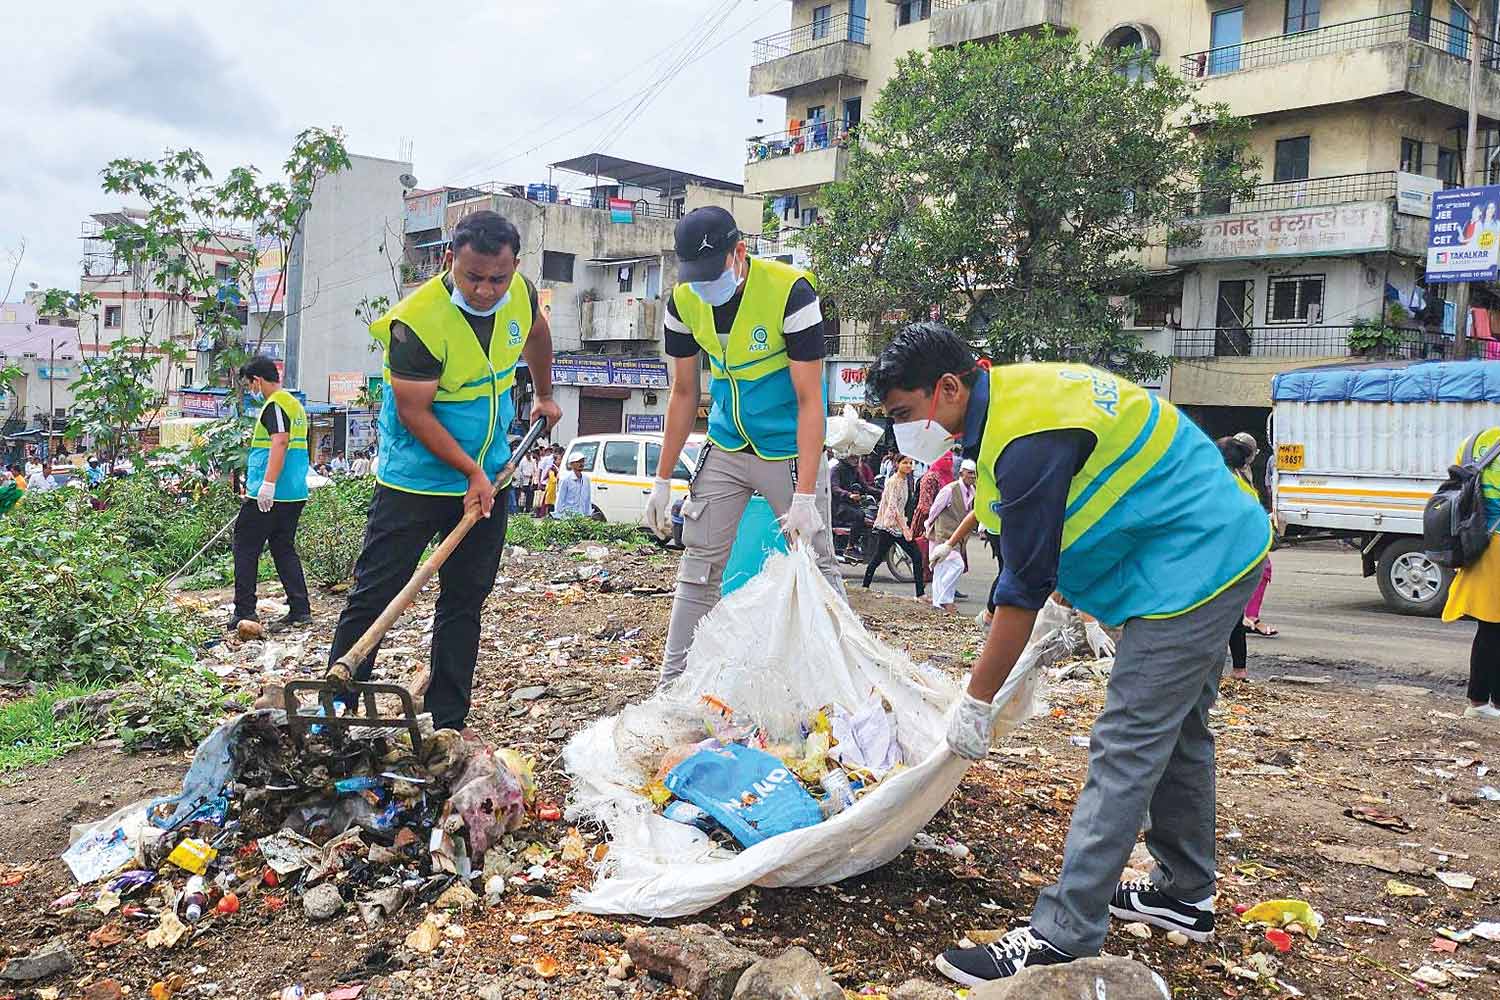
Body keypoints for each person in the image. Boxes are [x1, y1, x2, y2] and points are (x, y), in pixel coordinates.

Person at [865, 323, 1270, 986]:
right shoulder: (1014, 404)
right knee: (1181, 731)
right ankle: (1185, 894)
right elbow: (1029, 557)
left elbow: (1019, 594)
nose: (904, 432)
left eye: (906, 415)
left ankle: (1064, 932)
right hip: (1206, 543)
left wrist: (975, 701)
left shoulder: (1025, 437)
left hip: (1198, 561)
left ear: (948, 388)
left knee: (1127, 741)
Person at [325, 211, 559, 733]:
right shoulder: (417, 322)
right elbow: (414, 411)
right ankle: (337, 710)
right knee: (376, 593)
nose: (484, 289)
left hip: (488, 477)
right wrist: (469, 472)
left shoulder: (518, 292)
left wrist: (543, 394)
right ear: (449, 260)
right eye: (473, 277)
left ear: (514, 268)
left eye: (497, 278)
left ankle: (447, 720)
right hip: (414, 483)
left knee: (465, 600)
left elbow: (537, 334)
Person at [641, 205, 843, 686]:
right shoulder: (682, 302)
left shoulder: (791, 294)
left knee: (816, 564)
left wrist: (806, 495)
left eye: (714, 274)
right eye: (696, 277)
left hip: (789, 449)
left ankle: (841, 685)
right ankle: (672, 687)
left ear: (740, 252)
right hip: (727, 444)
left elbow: (811, 399)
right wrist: (662, 479)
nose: (706, 286)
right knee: (699, 567)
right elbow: (685, 393)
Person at [232, 357, 313, 630]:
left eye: (250, 384)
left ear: (257, 379)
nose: (251, 390)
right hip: (294, 492)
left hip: (270, 494)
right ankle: (300, 609)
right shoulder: (296, 405)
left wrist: (267, 484)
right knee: (282, 547)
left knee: (245, 546)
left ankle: (245, 611)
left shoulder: (276, 404)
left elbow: (280, 441)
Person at [1442, 425, 1500, 720]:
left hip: (1476, 542)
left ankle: (1481, 702)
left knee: (1490, 627)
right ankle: (1482, 704)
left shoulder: (1475, 440)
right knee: (1493, 629)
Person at [1217, 435, 1260, 681]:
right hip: (1240, 560)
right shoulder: (1244, 485)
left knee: (1213, 616)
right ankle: (1239, 670)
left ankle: (1212, 669)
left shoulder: (1216, 483)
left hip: (1219, 561)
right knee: (1234, 614)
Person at [1230, 431, 1278, 637]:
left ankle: (1247, 617)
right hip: (1238, 534)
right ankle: (1247, 617)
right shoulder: (1230, 475)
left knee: (1261, 570)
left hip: (1246, 532)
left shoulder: (1243, 471)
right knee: (1261, 569)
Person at [861, 454, 926, 599]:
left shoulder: (905, 481)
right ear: (897, 464)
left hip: (897, 524)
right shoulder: (893, 481)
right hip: (890, 526)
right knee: (912, 556)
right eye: (905, 463)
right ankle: (865, 586)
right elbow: (893, 507)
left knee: (911, 556)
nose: (908, 465)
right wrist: (905, 529)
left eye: (910, 463)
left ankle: (920, 593)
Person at [926, 458, 976, 611]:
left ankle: (938, 604)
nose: (972, 476)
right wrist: (928, 527)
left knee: (942, 570)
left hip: (958, 536)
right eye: (969, 473)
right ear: (961, 473)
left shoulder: (973, 491)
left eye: (974, 474)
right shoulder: (949, 490)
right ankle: (944, 600)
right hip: (942, 533)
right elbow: (935, 509)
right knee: (957, 565)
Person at [913, 451, 956, 584]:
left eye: (951, 459)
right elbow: (925, 503)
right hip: (929, 519)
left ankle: (947, 582)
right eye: (946, 459)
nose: (949, 462)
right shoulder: (931, 477)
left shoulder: (949, 476)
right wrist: (931, 520)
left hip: (948, 521)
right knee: (929, 554)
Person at [553, 453, 592, 518]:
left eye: (582, 461)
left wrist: (588, 514)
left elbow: (588, 499)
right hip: (568, 517)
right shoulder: (566, 479)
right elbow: (560, 498)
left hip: (581, 517)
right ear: (571, 464)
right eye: (578, 462)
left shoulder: (586, 479)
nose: (581, 464)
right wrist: (558, 515)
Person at [516, 447, 538, 513]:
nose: (528, 455)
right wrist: (520, 482)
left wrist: (533, 477)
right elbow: (520, 472)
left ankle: (528, 509)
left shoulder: (533, 461)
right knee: (522, 497)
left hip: (530, 481)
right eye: (527, 454)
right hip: (524, 481)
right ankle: (521, 510)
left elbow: (535, 470)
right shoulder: (522, 461)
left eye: (529, 453)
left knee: (530, 496)